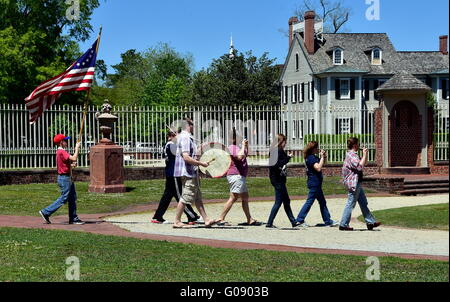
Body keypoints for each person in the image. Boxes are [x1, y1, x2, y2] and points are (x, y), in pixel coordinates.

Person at [172, 118, 218, 228]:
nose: (194, 126)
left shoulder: (187, 138)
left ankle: (206, 219)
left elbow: (192, 154)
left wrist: (201, 148)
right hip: (188, 172)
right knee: (186, 197)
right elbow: (186, 157)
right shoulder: (185, 137)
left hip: (191, 171)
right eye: (193, 124)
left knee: (197, 197)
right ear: (188, 125)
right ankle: (177, 221)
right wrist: (201, 164)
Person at [151, 130, 202, 225]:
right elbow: (183, 152)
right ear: (171, 136)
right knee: (181, 196)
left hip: (171, 174)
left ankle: (158, 216)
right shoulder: (171, 144)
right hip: (173, 174)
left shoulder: (171, 144)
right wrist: (188, 141)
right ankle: (192, 216)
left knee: (167, 196)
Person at [217, 128, 260, 226]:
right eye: (239, 137)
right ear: (234, 138)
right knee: (233, 197)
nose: (241, 138)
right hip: (235, 175)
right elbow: (239, 157)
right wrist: (243, 146)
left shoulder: (237, 147)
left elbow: (245, 155)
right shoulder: (232, 147)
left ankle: (249, 219)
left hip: (240, 176)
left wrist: (246, 146)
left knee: (245, 197)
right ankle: (221, 218)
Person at [39, 134, 84, 225]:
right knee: (64, 198)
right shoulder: (61, 152)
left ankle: (73, 218)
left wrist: (71, 166)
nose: (66, 142)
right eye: (65, 140)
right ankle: (45, 212)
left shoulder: (61, 152)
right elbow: (74, 157)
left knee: (72, 198)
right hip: (65, 178)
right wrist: (77, 148)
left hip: (67, 177)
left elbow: (64, 165)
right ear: (61, 142)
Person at [339, 137, 381, 231]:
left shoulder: (354, 155)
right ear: (354, 145)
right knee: (350, 203)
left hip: (357, 182)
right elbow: (359, 167)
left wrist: (365, 155)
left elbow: (363, 163)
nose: (359, 145)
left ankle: (370, 222)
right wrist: (365, 154)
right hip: (354, 183)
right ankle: (343, 224)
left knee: (363, 203)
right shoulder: (351, 155)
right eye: (358, 144)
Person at [295, 141, 339, 227]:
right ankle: (299, 220)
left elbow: (323, 163)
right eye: (316, 148)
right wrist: (322, 157)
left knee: (322, 202)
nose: (318, 149)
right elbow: (318, 168)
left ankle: (327, 221)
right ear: (313, 148)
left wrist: (324, 157)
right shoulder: (311, 158)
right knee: (309, 202)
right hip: (314, 183)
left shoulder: (312, 157)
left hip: (316, 183)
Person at [266, 134, 300, 229]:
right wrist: (288, 158)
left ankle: (293, 221)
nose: (286, 143)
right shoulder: (276, 151)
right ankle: (269, 223)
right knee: (278, 202)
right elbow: (276, 165)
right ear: (281, 142)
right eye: (285, 141)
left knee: (286, 201)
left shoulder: (277, 151)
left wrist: (287, 157)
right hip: (277, 179)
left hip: (279, 179)